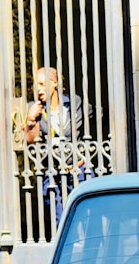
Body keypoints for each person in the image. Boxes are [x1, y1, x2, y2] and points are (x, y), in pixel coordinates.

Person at [22, 67, 92, 230]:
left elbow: (94, 115)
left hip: (78, 168)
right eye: (35, 85)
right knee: (60, 220)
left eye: (41, 84)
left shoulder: (75, 102)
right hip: (52, 172)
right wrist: (31, 119)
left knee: (86, 214)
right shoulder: (35, 107)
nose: (38, 89)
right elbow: (30, 140)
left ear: (54, 83)